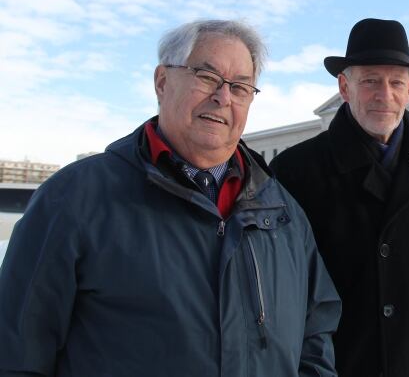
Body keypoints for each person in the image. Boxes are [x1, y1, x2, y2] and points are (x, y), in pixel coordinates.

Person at [0, 20, 341, 377]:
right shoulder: (74, 200)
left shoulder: (283, 212)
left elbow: (316, 330)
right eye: (206, 77)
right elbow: (17, 352)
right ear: (162, 81)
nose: (223, 97)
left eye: (240, 87)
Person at [270, 18, 409, 377]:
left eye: (395, 82)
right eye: (370, 81)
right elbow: (281, 305)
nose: (384, 95)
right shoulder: (296, 171)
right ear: (344, 86)